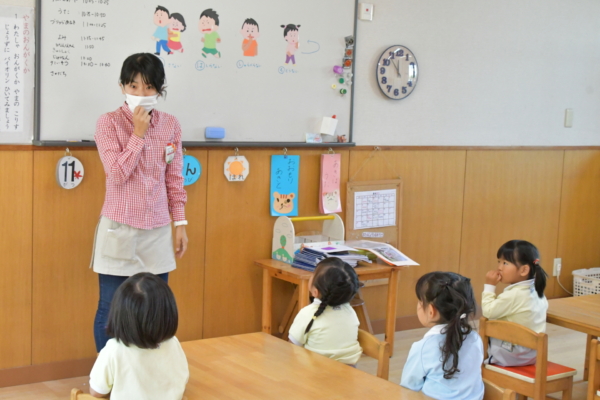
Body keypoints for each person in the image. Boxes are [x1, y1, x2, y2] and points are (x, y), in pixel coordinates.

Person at [92, 52, 188, 352]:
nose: (141, 94)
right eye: (134, 87)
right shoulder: (108, 123)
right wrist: (138, 134)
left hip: (158, 229)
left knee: (155, 308)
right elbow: (117, 174)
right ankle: (107, 381)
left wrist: (181, 222)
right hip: (119, 228)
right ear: (122, 86)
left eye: (148, 88)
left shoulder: (171, 125)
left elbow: (174, 177)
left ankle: (148, 375)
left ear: (159, 90)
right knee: (110, 309)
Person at [89, 273, 189, 399]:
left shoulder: (114, 349)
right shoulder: (173, 343)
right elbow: (182, 380)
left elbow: (97, 391)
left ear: (119, 314)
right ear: (168, 313)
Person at [401, 272, 484, 400]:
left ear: (431, 311)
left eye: (420, 301)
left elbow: (408, 388)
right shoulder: (475, 339)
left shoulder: (423, 348)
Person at [482, 240, 548, 366]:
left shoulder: (514, 295)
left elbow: (488, 311)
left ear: (524, 270)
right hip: (532, 354)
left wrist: (489, 286)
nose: (499, 267)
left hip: (513, 355)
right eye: (499, 262)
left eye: (505, 263)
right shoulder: (536, 290)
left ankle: (490, 362)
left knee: (485, 328)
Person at [288, 257, 362, 366]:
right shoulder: (350, 311)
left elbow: (293, 347)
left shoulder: (307, 313)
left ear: (315, 292)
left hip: (315, 374)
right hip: (349, 374)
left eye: (313, 273)